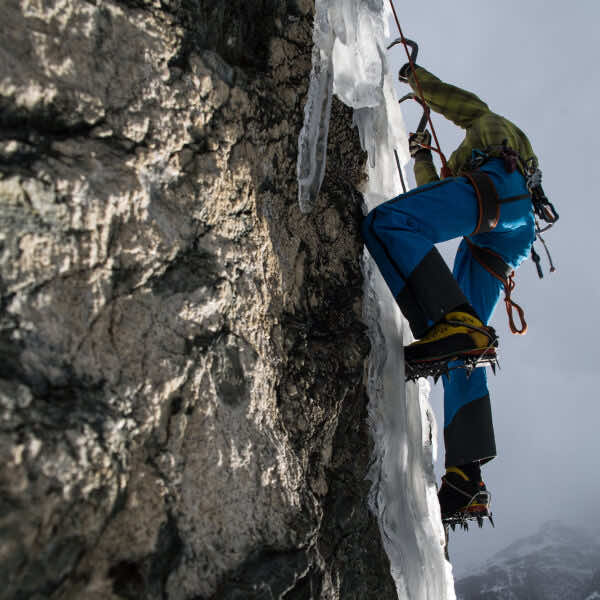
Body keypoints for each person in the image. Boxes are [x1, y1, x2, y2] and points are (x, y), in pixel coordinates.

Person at [361, 62, 541, 524]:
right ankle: (466, 477)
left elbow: (459, 104)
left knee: (389, 222)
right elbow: (439, 195)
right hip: (507, 229)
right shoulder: (476, 165)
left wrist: (416, 79)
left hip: (497, 193)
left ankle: (450, 320)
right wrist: (421, 156)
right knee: (466, 349)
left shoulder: (490, 124)